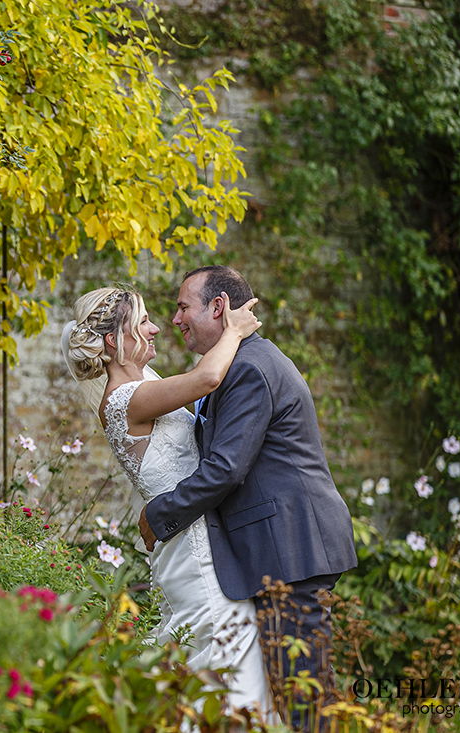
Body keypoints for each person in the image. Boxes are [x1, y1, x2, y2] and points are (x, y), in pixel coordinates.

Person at [137, 265, 358, 732]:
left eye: (183, 307)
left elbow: (226, 468)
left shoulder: (250, 369)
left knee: (302, 695)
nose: (175, 319)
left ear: (218, 307)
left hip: (292, 546)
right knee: (297, 689)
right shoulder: (238, 363)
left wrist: (160, 515)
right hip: (282, 547)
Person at [61, 285, 272, 720]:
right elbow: (206, 379)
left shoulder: (148, 384)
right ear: (111, 342)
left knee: (222, 659)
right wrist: (233, 330)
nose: (156, 327)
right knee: (222, 656)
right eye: (142, 322)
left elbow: (206, 388)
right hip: (192, 548)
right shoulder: (126, 399)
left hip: (195, 534)